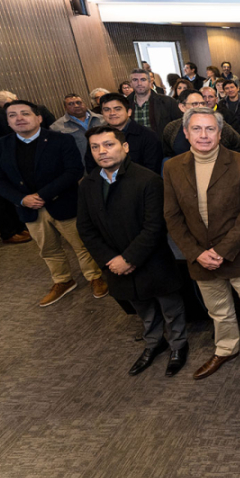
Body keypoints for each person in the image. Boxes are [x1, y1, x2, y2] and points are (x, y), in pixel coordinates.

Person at [163, 108, 240, 382]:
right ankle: (226, 349)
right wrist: (197, 253)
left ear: (220, 133)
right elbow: (172, 216)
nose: (203, 135)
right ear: (186, 133)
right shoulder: (172, 167)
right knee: (218, 310)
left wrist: (221, 251)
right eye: (197, 129)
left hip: (239, 253)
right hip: (199, 256)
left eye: (210, 129)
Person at [77, 126, 188, 377]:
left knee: (170, 307)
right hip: (115, 264)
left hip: (151, 260)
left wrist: (129, 258)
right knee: (142, 309)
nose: (102, 151)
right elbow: (85, 228)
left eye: (108, 145)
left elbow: (155, 226)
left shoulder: (148, 180)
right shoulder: (88, 184)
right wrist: (110, 260)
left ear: (124, 147)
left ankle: (178, 346)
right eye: (95, 147)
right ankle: (154, 343)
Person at [0, 100, 107, 306]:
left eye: (25, 113)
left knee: (81, 245)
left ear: (38, 118)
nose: (19, 118)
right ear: (8, 122)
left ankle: (95, 277)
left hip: (63, 203)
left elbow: (73, 170)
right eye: (12, 115)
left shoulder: (61, 140)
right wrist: (22, 199)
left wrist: (43, 195)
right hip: (28, 209)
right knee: (48, 249)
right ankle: (63, 280)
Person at [92, 93, 162, 173]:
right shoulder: (96, 137)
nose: (112, 113)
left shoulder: (148, 136)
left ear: (129, 112)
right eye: (107, 110)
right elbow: (93, 168)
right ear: (102, 113)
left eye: (117, 109)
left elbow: (152, 170)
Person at [161, 90, 240, 157]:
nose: (200, 107)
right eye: (195, 104)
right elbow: (168, 154)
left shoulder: (218, 124)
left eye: (202, 103)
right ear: (182, 107)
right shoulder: (172, 128)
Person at [127, 68, 183, 139]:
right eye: (135, 80)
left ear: (150, 82)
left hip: (161, 144)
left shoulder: (168, 102)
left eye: (143, 80)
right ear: (130, 84)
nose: (139, 83)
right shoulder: (125, 104)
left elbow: (179, 127)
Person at [50, 93, 104, 162]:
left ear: (85, 104)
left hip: (107, 161)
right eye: (71, 104)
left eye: (78, 102)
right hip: (80, 166)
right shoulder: (56, 127)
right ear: (65, 108)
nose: (76, 106)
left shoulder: (103, 119)